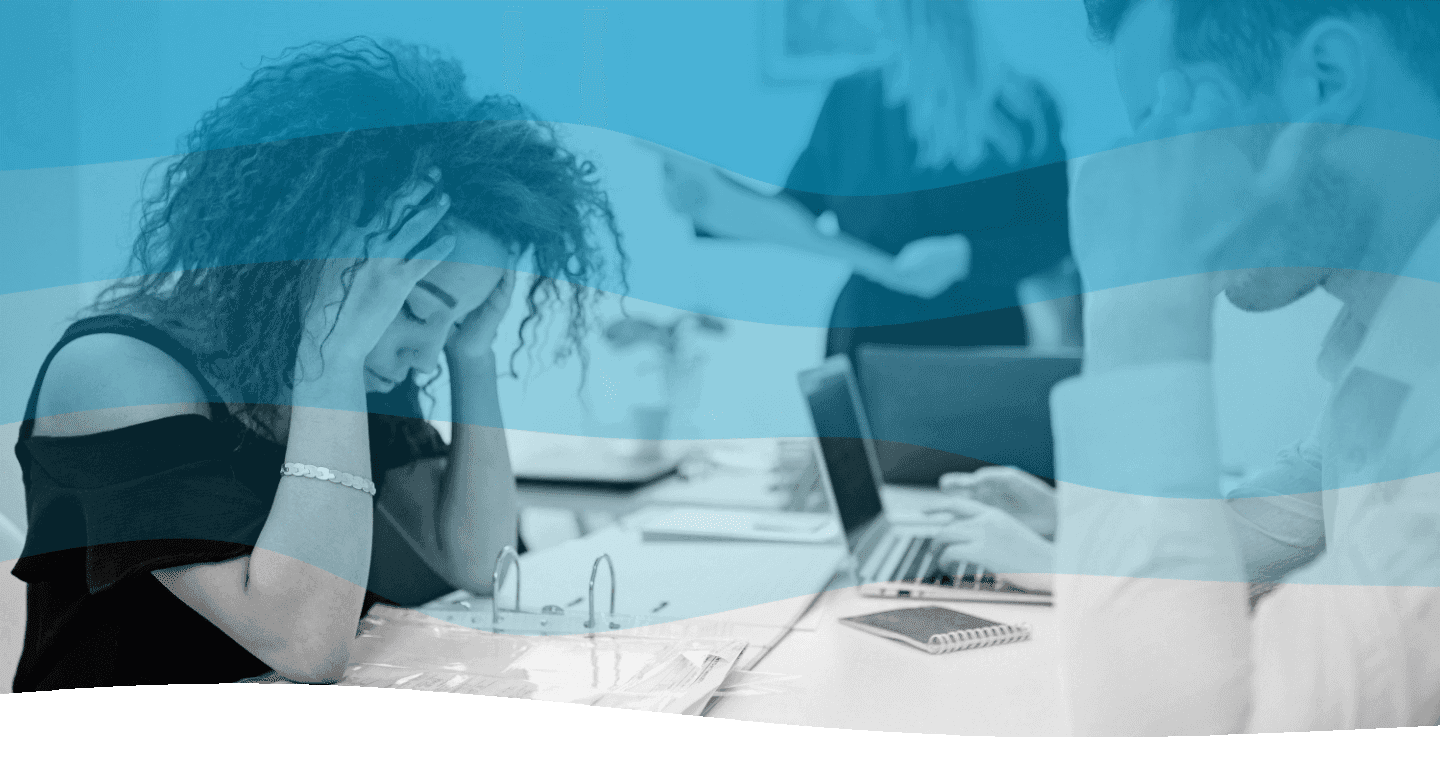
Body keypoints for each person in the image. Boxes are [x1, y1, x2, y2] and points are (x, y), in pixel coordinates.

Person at [9, 38, 625, 691]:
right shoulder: (115, 376)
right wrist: (330, 362)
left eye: (454, 322)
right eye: (415, 309)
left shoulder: (363, 371)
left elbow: (480, 566)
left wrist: (472, 356)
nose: (425, 355)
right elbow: (306, 645)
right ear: (312, 252)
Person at [947, 0, 1440, 734]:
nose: (1153, 164)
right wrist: (1075, 528)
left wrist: (1139, 297)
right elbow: (1289, 514)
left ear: (1326, 78)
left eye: (1174, 119)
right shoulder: (1392, 336)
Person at [659, 0, 1075, 483]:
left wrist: (967, 255)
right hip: (865, 341)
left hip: (975, 349)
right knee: (862, 498)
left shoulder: (1025, 107)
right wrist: (712, 201)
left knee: (970, 489)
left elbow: (1055, 234)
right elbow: (797, 210)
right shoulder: (851, 101)